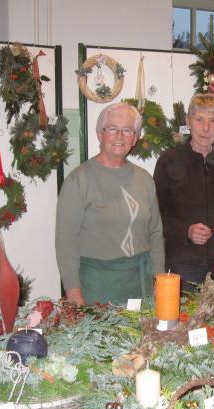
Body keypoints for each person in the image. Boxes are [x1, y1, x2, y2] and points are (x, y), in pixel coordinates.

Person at [55, 103, 165, 305]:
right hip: (96, 286)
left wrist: (159, 280)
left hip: (140, 283)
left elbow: (156, 233)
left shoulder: (145, 180)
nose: (120, 136)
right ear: (100, 134)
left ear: (135, 138)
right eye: (112, 128)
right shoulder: (78, 181)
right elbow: (66, 241)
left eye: (127, 130)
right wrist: (73, 291)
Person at [153, 93, 214, 291]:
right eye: (199, 119)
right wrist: (186, 231)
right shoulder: (169, 161)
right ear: (188, 122)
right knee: (185, 312)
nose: (206, 128)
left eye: (213, 121)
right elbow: (157, 214)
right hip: (183, 262)